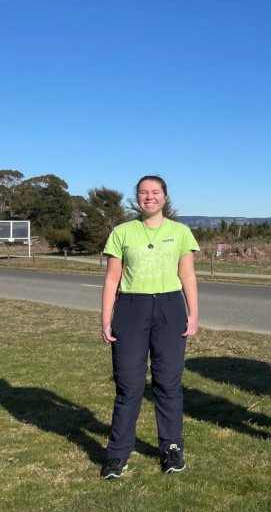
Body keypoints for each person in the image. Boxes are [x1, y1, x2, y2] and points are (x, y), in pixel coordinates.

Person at [99, 175, 199, 479]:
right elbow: (112, 279)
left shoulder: (180, 232)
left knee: (167, 384)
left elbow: (188, 277)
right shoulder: (121, 232)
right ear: (137, 198)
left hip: (169, 308)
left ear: (164, 198)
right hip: (130, 308)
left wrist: (193, 314)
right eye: (143, 192)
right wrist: (105, 318)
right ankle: (118, 455)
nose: (149, 197)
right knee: (128, 385)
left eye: (155, 192)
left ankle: (171, 448)